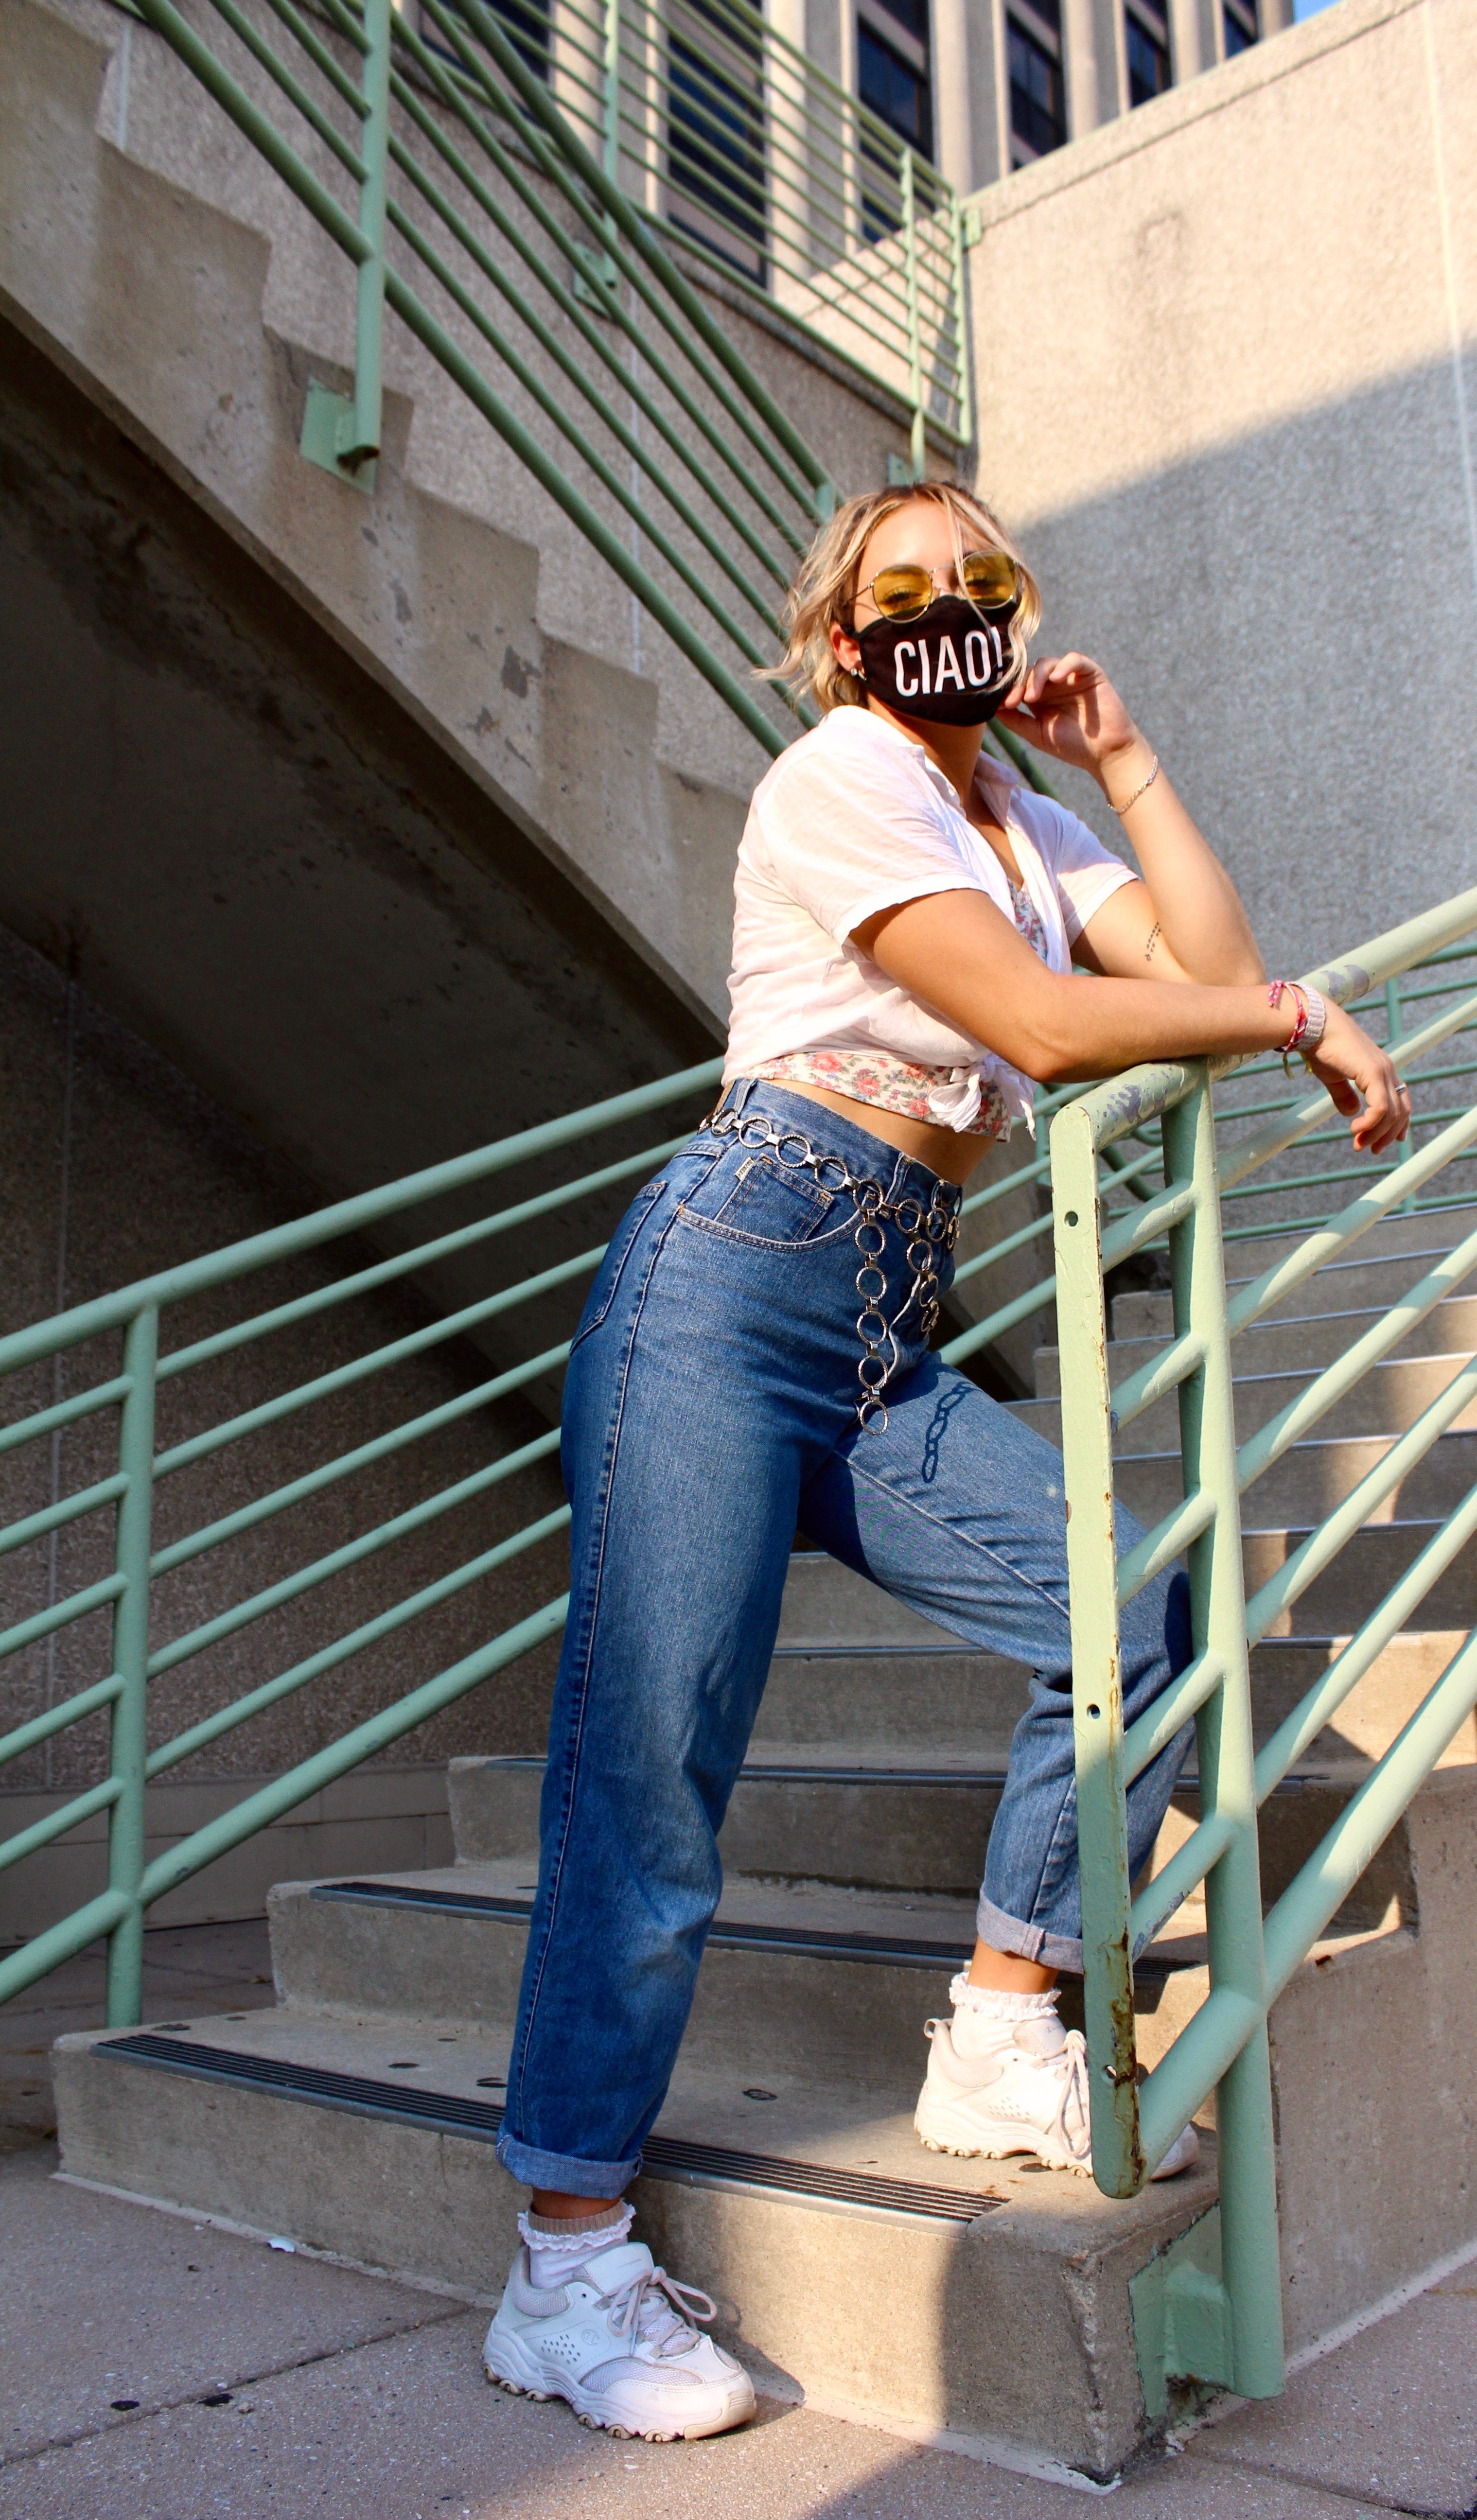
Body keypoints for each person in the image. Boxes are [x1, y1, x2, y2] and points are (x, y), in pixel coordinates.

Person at [481, 484, 1411, 2441]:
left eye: (980, 585)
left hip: (890, 1319)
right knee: (654, 1757)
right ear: (842, 641)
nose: (947, 614)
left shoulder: (1027, 822)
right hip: (734, 1275)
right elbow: (1057, 1032)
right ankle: (568, 2262)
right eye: (904, 593)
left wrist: (1129, 760)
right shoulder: (838, 774)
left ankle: (1004, 2027)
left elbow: (1202, 972)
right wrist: (1290, 1017)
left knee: (1135, 1604)